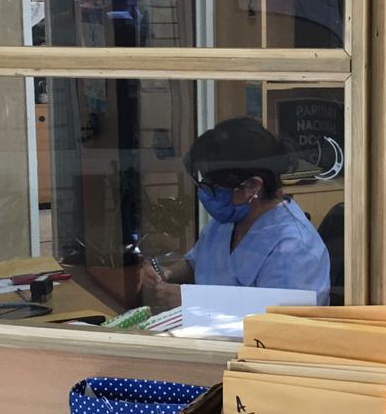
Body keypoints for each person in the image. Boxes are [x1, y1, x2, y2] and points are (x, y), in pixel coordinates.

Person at [140, 117, 331, 308]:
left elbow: (277, 320)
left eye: (213, 187)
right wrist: (165, 274)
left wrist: (192, 301)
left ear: (252, 186)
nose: (205, 193)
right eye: (203, 183)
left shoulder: (295, 249)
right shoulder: (227, 222)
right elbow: (199, 264)